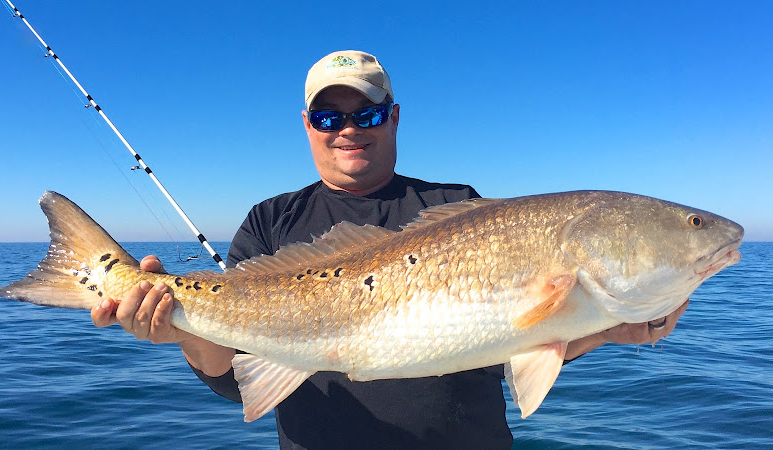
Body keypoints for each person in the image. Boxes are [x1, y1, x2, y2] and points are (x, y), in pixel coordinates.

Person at [91, 50, 688, 449]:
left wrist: (614, 329)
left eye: (367, 112)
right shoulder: (271, 221)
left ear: (394, 118)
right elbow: (233, 379)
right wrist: (184, 332)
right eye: (330, 116)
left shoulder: (462, 205)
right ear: (308, 124)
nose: (349, 128)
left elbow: (524, 337)